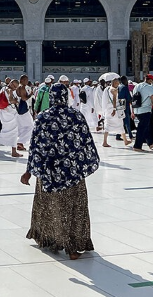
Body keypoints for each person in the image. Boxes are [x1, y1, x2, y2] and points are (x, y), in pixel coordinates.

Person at [20, 83, 99, 260]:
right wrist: (81, 163)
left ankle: (49, 239)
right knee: (75, 210)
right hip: (73, 173)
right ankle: (74, 247)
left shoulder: (42, 117)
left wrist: (29, 171)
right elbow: (86, 143)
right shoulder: (76, 116)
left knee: (49, 208)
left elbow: (35, 147)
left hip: (49, 174)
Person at [132, 74, 153, 152]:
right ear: (150, 80)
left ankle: (150, 143)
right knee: (141, 129)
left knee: (145, 127)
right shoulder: (150, 87)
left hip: (137, 110)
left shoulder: (137, 86)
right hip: (145, 110)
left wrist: (133, 111)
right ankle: (137, 146)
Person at [15, 75, 34, 151]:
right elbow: (24, 98)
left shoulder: (18, 87)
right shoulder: (22, 87)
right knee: (31, 126)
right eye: (26, 80)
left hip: (19, 110)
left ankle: (20, 143)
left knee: (22, 127)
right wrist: (31, 94)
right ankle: (20, 142)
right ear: (22, 80)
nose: (27, 82)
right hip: (23, 110)